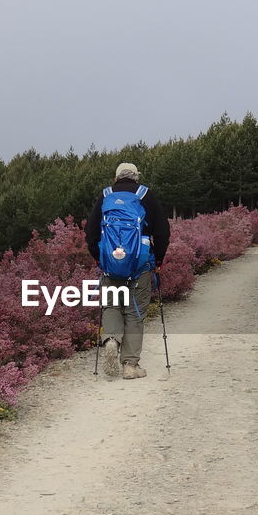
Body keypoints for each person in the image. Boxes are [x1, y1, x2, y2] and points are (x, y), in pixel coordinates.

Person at [85, 162, 171, 380]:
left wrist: (101, 259)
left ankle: (112, 340)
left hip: (111, 265)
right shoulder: (146, 195)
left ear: (116, 178)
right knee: (134, 312)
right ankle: (130, 366)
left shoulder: (105, 196)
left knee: (112, 306)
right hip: (140, 263)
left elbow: (91, 233)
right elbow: (162, 232)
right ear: (136, 177)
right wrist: (158, 259)